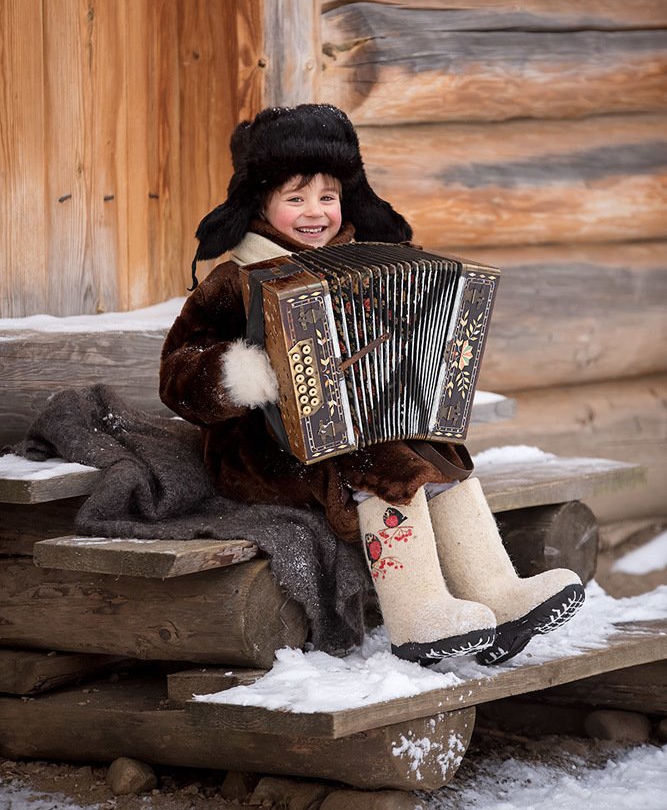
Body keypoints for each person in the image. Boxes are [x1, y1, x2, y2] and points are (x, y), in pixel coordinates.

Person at [160, 103, 584, 667]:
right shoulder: (237, 278)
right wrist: (242, 373)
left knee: (439, 451)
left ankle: (499, 595)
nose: (315, 212)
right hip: (265, 448)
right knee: (384, 463)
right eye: (295, 198)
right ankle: (417, 614)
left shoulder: (365, 263)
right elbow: (177, 373)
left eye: (328, 196)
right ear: (260, 204)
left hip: (362, 427)